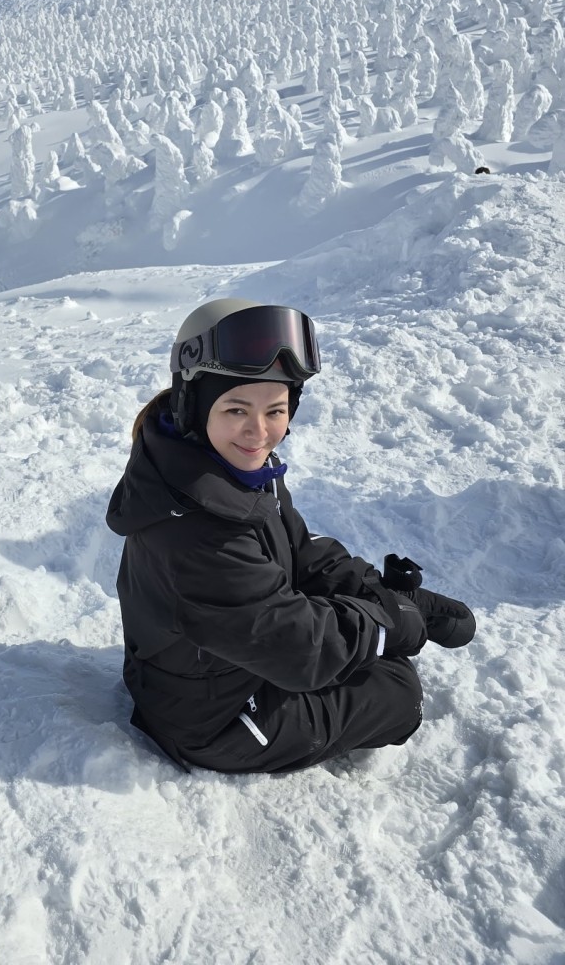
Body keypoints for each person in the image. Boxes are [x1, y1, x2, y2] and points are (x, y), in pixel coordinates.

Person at [106, 297, 475, 774]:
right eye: (236, 408)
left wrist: (383, 594)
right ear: (192, 406)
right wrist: (390, 622)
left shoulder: (229, 470)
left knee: (368, 658)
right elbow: (302, 649)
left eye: (275, 411)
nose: (258, 432)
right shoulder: (195, 530)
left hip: (208, 667)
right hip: (210, 720)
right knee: (398, 692)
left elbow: (300, 552)